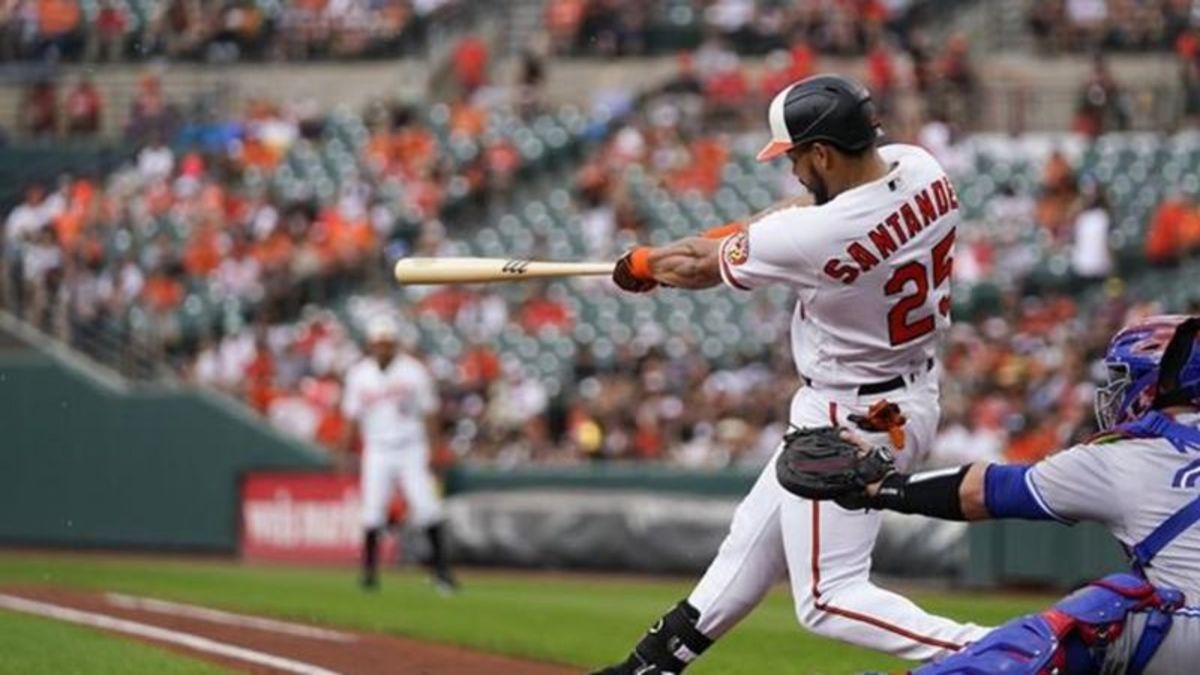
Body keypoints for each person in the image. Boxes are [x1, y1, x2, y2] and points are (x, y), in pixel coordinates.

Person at [592, 74, 987, 674]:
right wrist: (691, 247)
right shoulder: (921, 167)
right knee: (751, 538)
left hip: (851, 417)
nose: (795, 169)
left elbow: (704, 268)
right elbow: (796, 215)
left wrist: (646, 262)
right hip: (901, 394)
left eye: (799, 157)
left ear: (823, 153)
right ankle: (648, 667)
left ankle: (1013, 651)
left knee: (829, 599)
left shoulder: (820, 232)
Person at [787, 315, 1200, 674]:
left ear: (1156, 384)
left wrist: (882, 485)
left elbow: (987, 492)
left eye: (1122, 378)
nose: (1114, 391)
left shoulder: (1130, 456)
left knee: (1106, 608)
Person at [341, 316, 457, 592]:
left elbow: (430, 412)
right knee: (372, 512)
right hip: (377, 448)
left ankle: (442, 573)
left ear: (395, 345)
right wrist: (344, 451)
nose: (383, 349)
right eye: (379, 344)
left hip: (411, 447)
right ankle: (369, 576)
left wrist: (435, 448)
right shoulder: (359, 374)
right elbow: (351, 417)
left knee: (427, 507)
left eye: (388, 344)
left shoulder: (414, 371)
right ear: (371, 345)